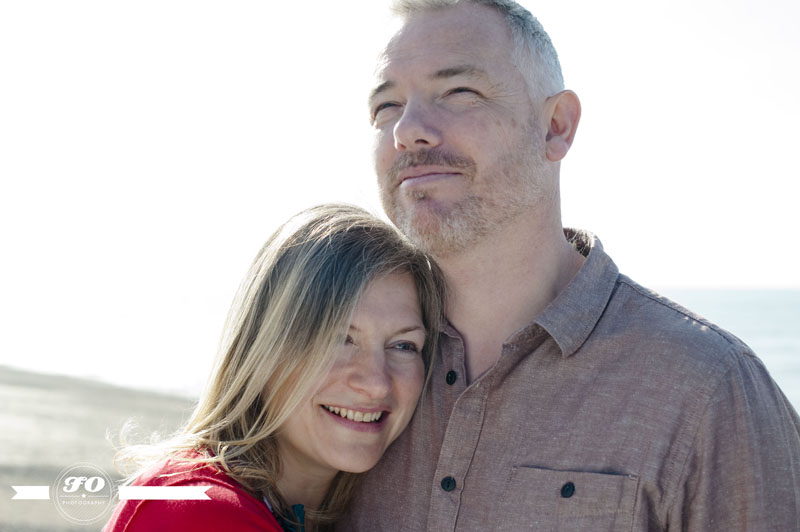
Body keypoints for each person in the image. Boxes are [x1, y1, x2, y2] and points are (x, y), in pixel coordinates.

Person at [340, 1, 800, 531]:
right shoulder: (332, 381)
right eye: (387, 107)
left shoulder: (709, 389)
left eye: (459, 92)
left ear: (556, 126)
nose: (407, 130)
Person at [103, 204, 446, 532]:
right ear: (265, 347)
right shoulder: (200, 510)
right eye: (339, 338)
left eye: (404, 346)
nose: (376, 384)